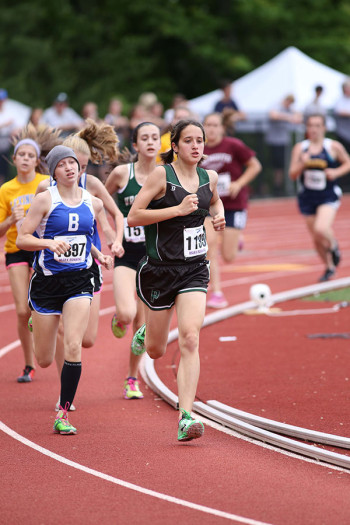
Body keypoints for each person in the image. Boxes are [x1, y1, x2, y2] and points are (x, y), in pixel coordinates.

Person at [127, 119, 225, 441]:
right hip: (160, 270)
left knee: (190, 338)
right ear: (175, 146)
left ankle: (186, 417)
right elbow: (134, 216)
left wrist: (218, 214)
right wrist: (177, 211)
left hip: (194, 269)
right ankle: (146, 331)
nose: (196, 147)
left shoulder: (209, 177)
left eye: (200, 141)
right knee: (155, 350)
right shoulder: (161, 176)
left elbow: (214, 200)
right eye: (189, 141)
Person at [16, 145, 113, 434]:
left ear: (80, 168)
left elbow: (87, 238)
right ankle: (38, 320)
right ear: (54, 171)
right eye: (63, 164)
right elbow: (22, 239)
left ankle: (63, 412)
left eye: (73, 163)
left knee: (73, 345)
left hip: (80, 280)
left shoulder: (93, 203)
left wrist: (100, 256)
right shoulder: (45, 200)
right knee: (44, 359)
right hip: (47, 283)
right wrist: (48, 243)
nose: (70, 168)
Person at [0, 125, 62, 382]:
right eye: (20, 155)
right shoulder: (6, 190)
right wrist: (10, 221)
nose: (25, 159)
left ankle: (45, 351)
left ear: (37, 161)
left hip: (40, 249)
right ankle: (28, 364)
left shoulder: (46, 184)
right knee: (23, 310)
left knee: (41, 308)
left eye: (29, 155)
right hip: (16, 250)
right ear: (14, 159)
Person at [105, 122, 161, 400]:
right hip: (126, 256)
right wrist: (111, 232)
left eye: (155, 137)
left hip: (154, 259)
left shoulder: (168, 175)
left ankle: (131, 378)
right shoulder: (121, 174)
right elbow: (99, 201)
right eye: (145, 138)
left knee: (143, 330)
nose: (151, 142)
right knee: (127, 314)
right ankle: (119, 317)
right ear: (136, 145)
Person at [201, 112, 261, 308]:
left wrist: (239, 183)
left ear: (222, 128)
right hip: (209, 206)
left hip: (234, 204)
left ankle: (237, 239)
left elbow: (255, 166)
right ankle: (217, 292)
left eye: (215, 125)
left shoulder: (233, 145)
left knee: (229, 256)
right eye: (208, 125)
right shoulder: (198, 149)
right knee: (210, 248)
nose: (211, 129)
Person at [289, 114, 350, 282]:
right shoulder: (300, 148)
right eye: (310, 125)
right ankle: (329, 267)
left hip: (328, 195)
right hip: (307, 197)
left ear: (324, 128)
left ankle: (334, 246)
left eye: (317, 125)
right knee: (316, 238)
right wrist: (303, 163)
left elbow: (348, 163)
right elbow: (292, 174)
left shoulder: (333, 147)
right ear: (307, 128)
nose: (314, 129)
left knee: (321, 228)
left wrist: (336, 172)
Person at [265, 94, 303, 195]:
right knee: (275, 166)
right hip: (274, 141)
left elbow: (299, 117)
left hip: (283, 142)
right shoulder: (276, 106)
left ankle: (280, 186)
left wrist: (293, 113)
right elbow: (273, 115)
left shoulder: (289, 109)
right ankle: (274, 187)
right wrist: (289, 117)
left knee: (281, 166)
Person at [0, 89, 20, 185]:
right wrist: (5, 124)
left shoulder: (10, 112)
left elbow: (17, 127)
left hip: (5, 144)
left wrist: (14, 131)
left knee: (4, 168)